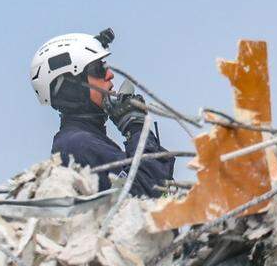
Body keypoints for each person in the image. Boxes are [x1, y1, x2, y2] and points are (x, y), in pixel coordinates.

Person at [30, 29, 174, 197]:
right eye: (98, 69)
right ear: (71, 87)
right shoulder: (78, 145)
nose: (110, 75)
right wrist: (137, 129)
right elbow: (147, 192)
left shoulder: (87, 141)